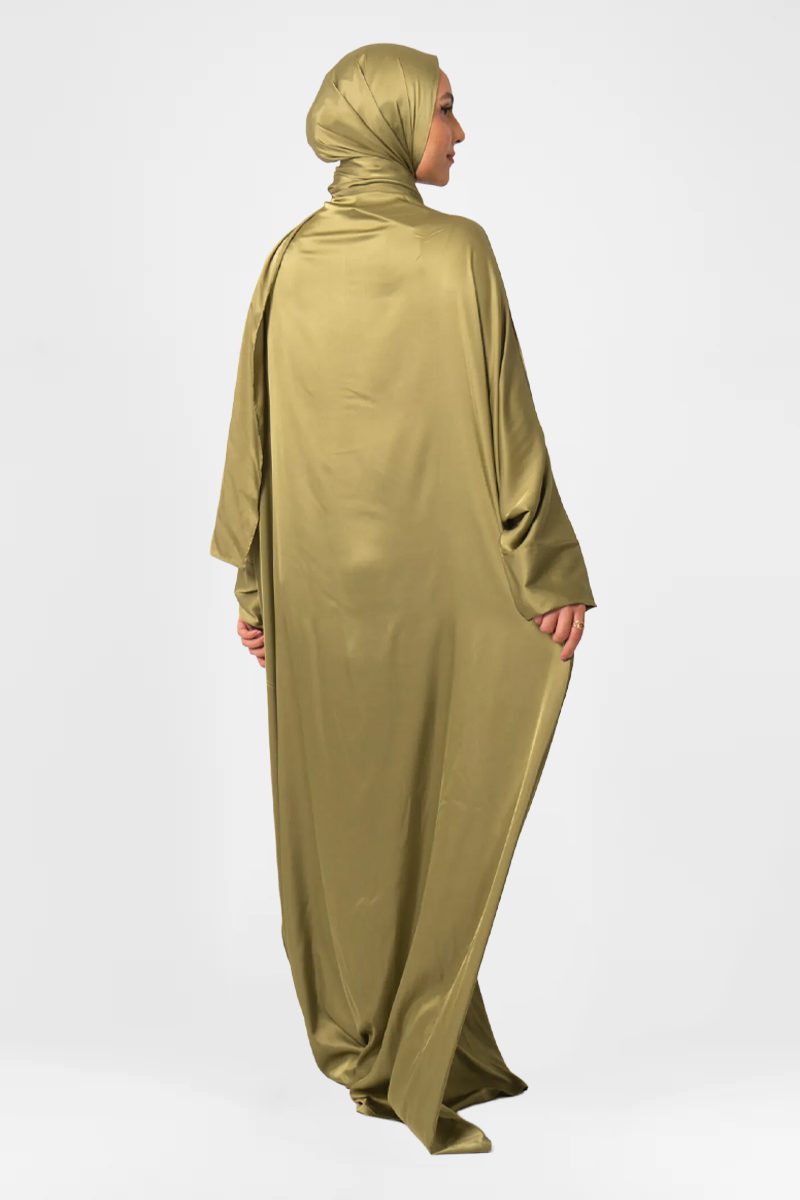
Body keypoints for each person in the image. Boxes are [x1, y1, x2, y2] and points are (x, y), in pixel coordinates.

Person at [210, 42, 597, 1156]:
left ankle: (373, 1038)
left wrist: (257, 585)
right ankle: (403, 1043)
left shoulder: (288, 261)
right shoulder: (457, 253)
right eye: (444, 109)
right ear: (389, 118)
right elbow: (507, 427)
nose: (458, 133)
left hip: (318, 591)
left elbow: (252, 447)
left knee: (346, 809)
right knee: (437, 794)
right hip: (436, 586)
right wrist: (550, 571)